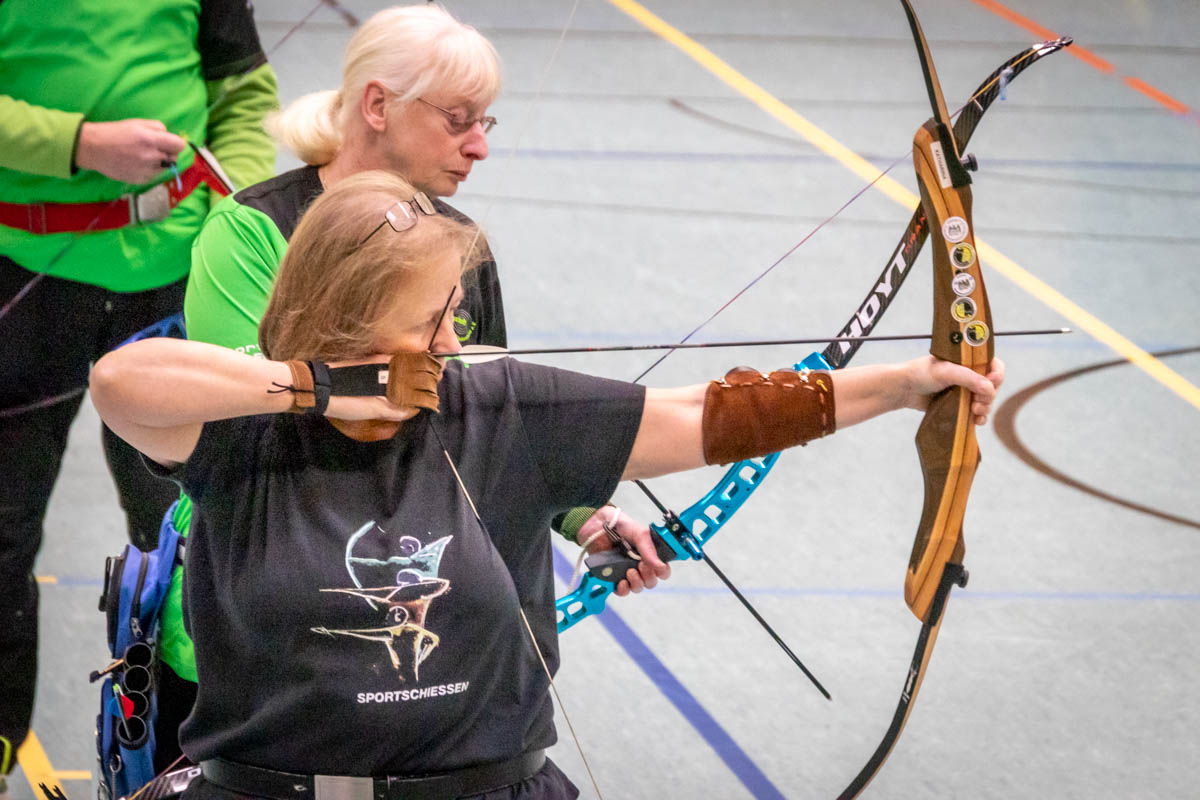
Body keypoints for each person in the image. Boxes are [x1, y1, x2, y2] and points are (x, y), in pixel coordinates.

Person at [89, 171, 1004, 800]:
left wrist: (903, 385)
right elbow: (119, 385)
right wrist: (319, 388)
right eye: (431, 320)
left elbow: (704, 416)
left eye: (456, 315)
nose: (452, 341)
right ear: (354, 319)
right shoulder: (241, 428)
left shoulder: (496, 403)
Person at [153, 5, 651, 768]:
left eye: (486, 122)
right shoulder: (251, 231)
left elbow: (493, 420)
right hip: (274, 620)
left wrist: (584, 513)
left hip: (428, 638)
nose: (479, 146)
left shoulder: (457, 243)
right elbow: (240, 409)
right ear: (378, 105)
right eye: (458, 120)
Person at [0, 0, 279, 782]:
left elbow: (244, 93)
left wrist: (238, 217)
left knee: (190, 541)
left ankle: (189, 763)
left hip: (173, 275)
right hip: (21, 271)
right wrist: (79, 144)